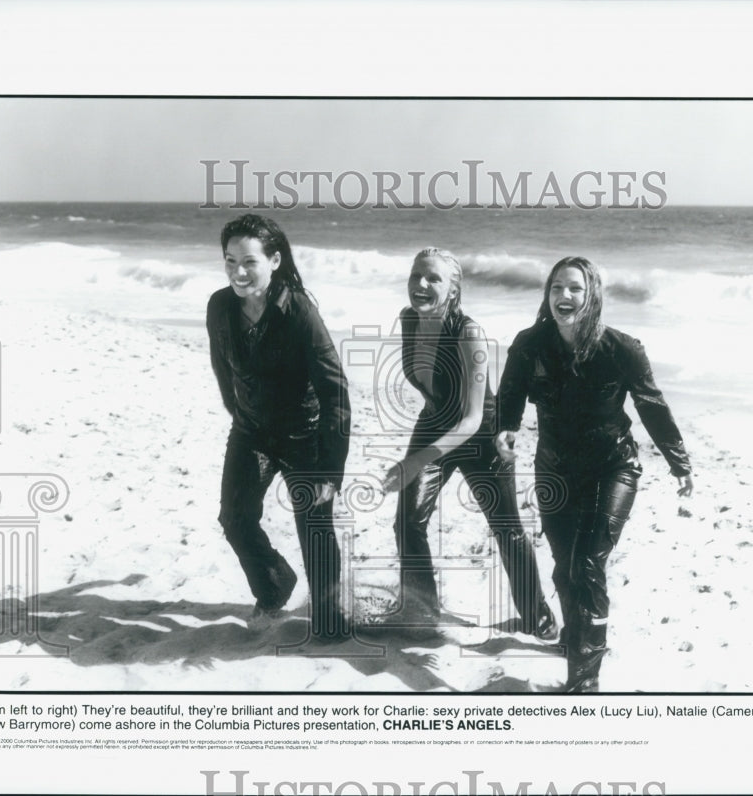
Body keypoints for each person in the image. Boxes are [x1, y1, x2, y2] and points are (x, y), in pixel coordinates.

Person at [495, 256, 694, 692]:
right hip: (555, 470)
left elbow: (652, 407)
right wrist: (506, 430)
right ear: (547, 294)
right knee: (565, 567)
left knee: (587, 564)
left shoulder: (622, 349)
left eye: (575, 288)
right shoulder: (529, 344)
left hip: (613, 467)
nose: (564, 296)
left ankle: (585, 681)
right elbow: (508, 397)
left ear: (592, 296)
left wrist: (679, 462)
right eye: (556, 288)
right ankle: (577, 637)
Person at [380, 247, 556, 639]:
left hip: (480, 436)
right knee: (408, 520)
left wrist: (413, 461)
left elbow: (472, 417)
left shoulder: (469, 333)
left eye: (433, 279)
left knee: (506, 528)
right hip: (435, 423)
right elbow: (428, 383)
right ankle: (421, 612)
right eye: (415, 276)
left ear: (454, 290)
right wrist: (424, 439)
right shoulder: (409, 320)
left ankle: (537, 617)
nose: (420, 285)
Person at [206, 214, 351, 643]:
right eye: (230, 261)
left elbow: (335, 389)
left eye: (249, 261)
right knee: (235, 519)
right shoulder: (219, 306)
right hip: (251, 430)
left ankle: (328, 612)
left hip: (304, 434)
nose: (238, 272)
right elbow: (221, 367)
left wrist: (330, 470)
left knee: (314, 526)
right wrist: (239, 414)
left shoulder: (299, 310)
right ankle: (274, 587)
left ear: (274, 259)